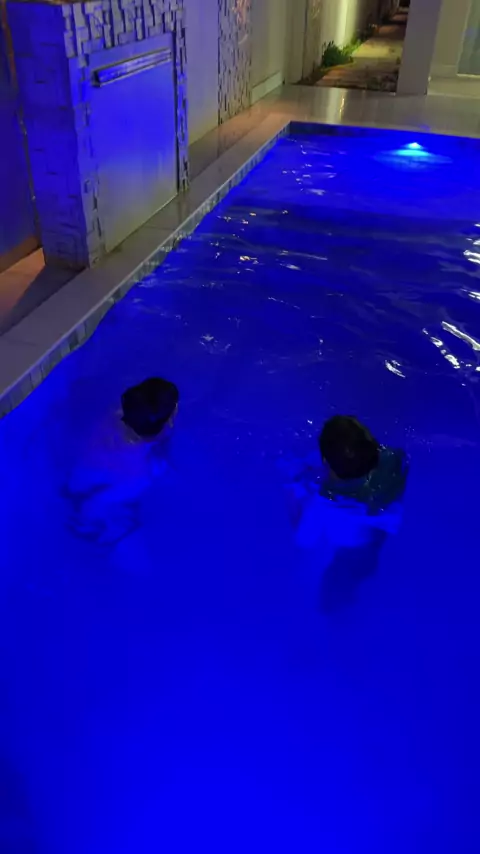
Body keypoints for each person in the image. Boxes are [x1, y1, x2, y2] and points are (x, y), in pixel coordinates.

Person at [290, 416, 408, 608]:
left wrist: (294, 488)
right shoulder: (392, 460)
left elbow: (303, 539)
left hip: (358, 547)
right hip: (364, 546)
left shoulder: (324, 504)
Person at [65, 378, 179, 545]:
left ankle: (77, 501)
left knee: (83, 483)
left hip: (83, 471)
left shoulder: (113, 413)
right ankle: (87, 525)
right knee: (145, 479)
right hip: (108, 483)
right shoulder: (138, 466)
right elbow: (143, 470)